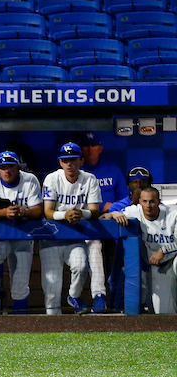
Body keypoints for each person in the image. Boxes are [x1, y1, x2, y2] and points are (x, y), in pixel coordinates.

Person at [40, 141, 102, 315]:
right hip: (51, 239)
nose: (69, 164)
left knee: (81, 266)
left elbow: (95, 210)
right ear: (60, 162)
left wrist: (81, 213)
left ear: (81, 161)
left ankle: (73, 295)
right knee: (52, 291)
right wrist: (66, 214)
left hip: (75, 237)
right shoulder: (52, 178)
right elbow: (48, 212)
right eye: (65, 160)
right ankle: (52, 330)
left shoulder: (89, 178)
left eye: (73, 159)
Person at [0, 151, 43, 315]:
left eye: (10, 167)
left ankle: (19, 325)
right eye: (3, 167)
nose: (7, 171)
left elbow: (38, 211)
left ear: (18, 167)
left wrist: (24, 212)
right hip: (0, 233)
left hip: (23, 234)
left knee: (21, 284)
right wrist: (4, 213)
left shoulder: (30, 180)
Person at [105, 187, 177, 315]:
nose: (148, 205)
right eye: (144, 201)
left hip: (173, 260)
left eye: (151, 201)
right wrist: (115, 214)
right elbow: (106, 215)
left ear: (159, 202)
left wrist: (163, 250)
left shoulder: (172, 215)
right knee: (163, 313)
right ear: (139, 201)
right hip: (156, 267)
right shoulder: (135, 211)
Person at [78, 132, 125, 314]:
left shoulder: (112, 169)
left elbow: (125, 200)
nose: (89, 150)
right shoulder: (77, 172)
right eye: (86, 146)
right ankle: (98, 298)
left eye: (93, 145)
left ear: (100, 148)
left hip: (111, 224)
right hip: (88, 224)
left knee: (117, 264)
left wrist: (113, 208)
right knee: (92, 254)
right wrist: (100, 206)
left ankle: (116, 305)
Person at [103, 166, 155, 313]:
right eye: (134, 182)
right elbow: (103, 217)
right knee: (119, 305)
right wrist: (112, 214)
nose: (138, 185)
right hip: (123, 260)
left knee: (153, 307)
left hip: (151, 260)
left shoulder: (156, 206)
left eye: (143, 182)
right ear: (128, 185)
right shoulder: (119, 205)